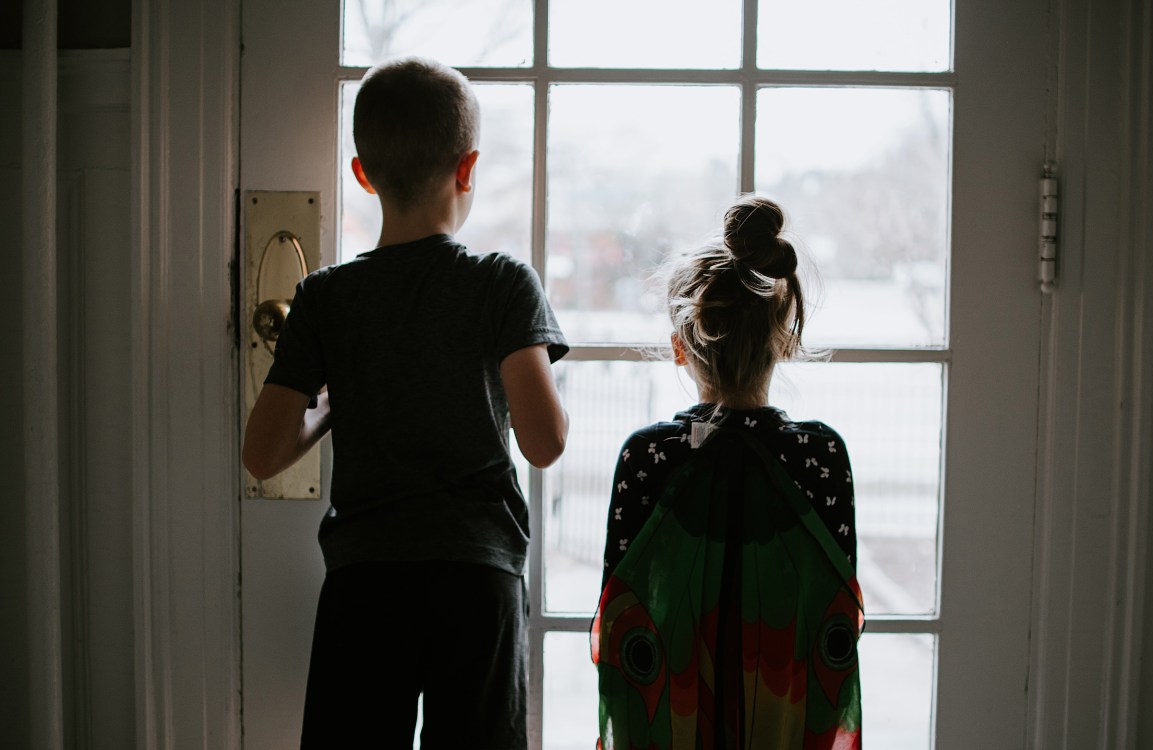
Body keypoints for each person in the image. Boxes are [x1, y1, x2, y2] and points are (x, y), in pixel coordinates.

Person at [241, 57, 569, 749]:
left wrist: (334, 403)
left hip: (368, 581)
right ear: (468, 167)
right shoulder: (503, 283)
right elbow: (545, 443)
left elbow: (263, 453)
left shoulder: (327, 296)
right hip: (476, 578)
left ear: (362, 174)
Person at [593, 195, 861, 748]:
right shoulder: (821, 457)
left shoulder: (648, 458)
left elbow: (620, 619)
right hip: (783, 721)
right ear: (784, 339)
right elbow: (834, 619)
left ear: (679, 349)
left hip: (674, 719)